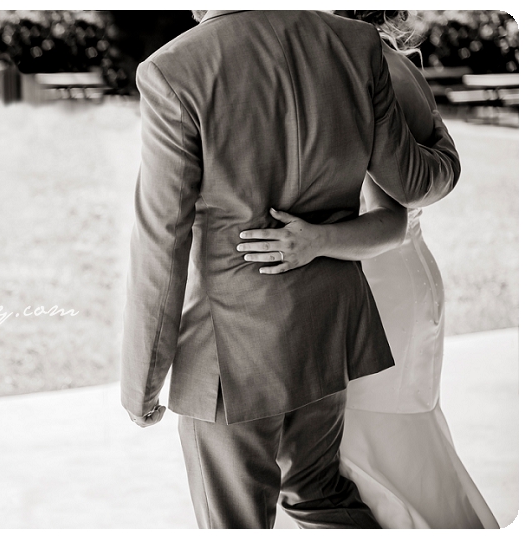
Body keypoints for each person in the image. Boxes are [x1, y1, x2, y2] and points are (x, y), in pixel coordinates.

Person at [120, 10, 460, 529]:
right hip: (325, 331)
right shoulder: (355, 43)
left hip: (230, 350)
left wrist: (142, 381)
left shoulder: (174, 68)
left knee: (233, 521)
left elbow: (161, 238)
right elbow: (412, 185)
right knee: (320, 496)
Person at [236, 10, 499, 528]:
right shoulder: (373, 59)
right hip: (388, 278)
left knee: (367, 454)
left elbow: (389, 220)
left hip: (378, 281)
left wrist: (310, 240)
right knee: (363, 452)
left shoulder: (368, 66)